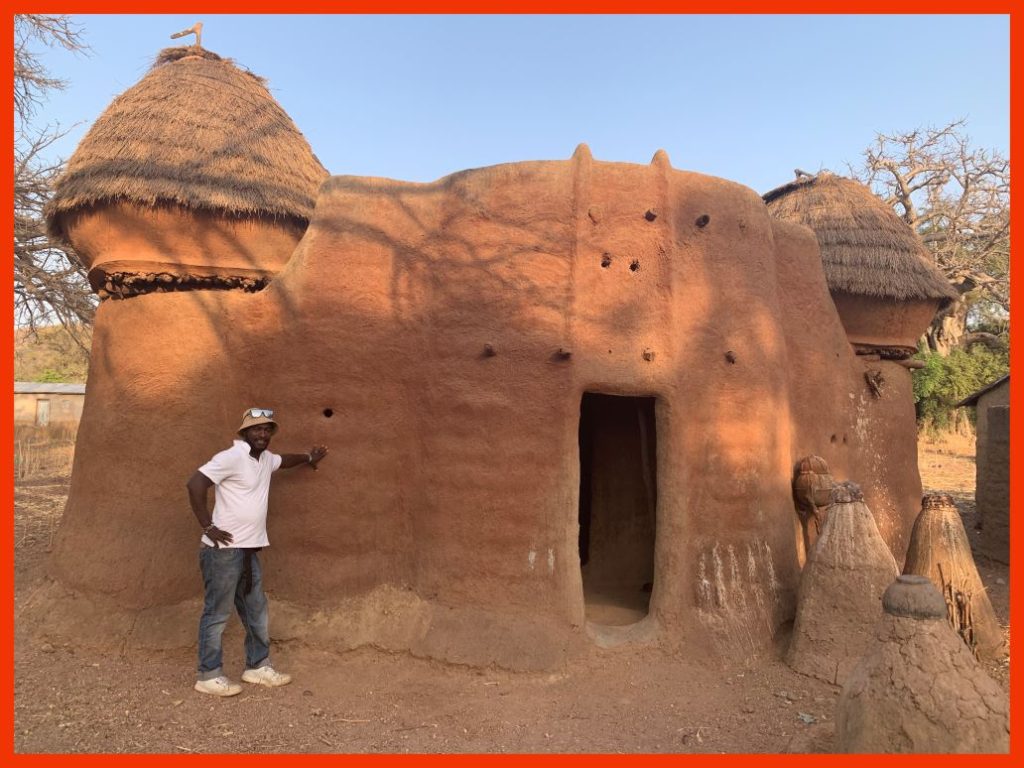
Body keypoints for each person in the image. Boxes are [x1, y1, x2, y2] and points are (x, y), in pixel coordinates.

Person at [186, 407, 328, 697]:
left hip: (249, 550)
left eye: (267, 430)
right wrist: (207, 525)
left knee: (255, 610)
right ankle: (208, 674)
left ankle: (257, 666)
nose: (262, 434)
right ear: (244, 432)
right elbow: (195, 483)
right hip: (223, 552)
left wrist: (309, 458)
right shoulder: (231, 457)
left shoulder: (265, 460)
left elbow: (284, 461)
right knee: (217, 613)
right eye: (256, 429)